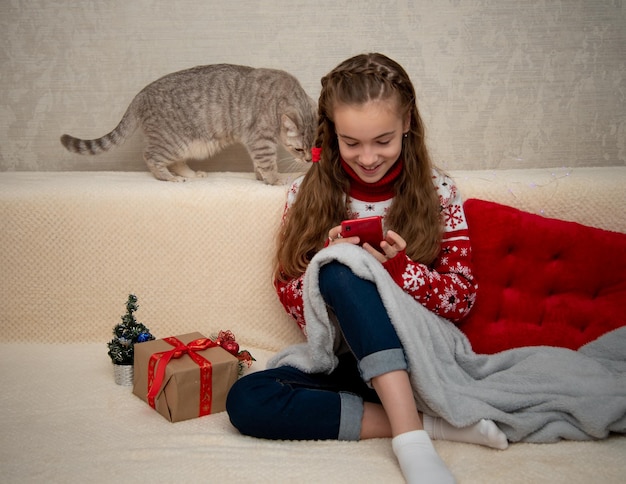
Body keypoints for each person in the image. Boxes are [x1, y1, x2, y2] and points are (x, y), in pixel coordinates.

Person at [226, 53, 507, 484]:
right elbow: (290, 295)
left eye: (383, 140)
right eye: (351, 143)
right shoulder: (305, 195)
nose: (369, 157)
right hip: (348, 362)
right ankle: (429, 425)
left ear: (407, 123)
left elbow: (461, 299)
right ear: (331, 133)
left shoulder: (438, 191)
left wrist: (399, 269)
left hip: (419, 361)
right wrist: (325, 256)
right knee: (247, 400)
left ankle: (411, 442)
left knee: (343, 268)